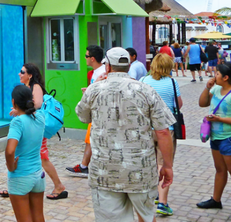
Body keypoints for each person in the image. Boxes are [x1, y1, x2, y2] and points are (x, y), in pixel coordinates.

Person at [76, 47, 176, 222]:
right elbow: (162, 131)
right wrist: (167, 165)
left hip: (105, 171)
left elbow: (83, 117)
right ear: (129, 66)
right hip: (140, 170)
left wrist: (94, 85)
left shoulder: (94, 90)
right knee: (146, 216)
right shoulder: (146, 90)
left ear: (107, 67)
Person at [0, 63, 68, 200]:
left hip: (35, 127)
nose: (19, 74)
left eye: (22, 72)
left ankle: (59, 186)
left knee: (42, 157)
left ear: (30, 75)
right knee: (24, 153)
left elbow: (37, 104)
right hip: (29, 126)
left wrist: (20, 109)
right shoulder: (26, 88)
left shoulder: (35, 87)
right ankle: (15, 184)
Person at [197, 62, 231, 220]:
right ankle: (216, 200)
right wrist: (207, 87)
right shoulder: (216, 88)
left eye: (217, 73)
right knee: (219, 170)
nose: (215, 75)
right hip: (216, 136)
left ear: (226, 77)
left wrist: (220, 119)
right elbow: (202, 103)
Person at [140, 53, 184, 216]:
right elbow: (178, 104)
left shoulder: (143, 81)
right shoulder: (172, 82)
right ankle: (163, 202)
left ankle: (150, 196)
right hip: (166, 129)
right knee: (164, 163)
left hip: (146, 128)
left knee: (149, 162)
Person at [5, 85, 46, 222]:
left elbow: (10, 151)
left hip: (20, 176)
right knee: (38, 216)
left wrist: (10, 166)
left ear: (13, 102)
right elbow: (31, 114)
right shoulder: (40, 118)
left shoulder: (17, 123)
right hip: (38, 174)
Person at [66, 45, 105, 178]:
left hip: (99, 112)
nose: (85, 58)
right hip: (93, 111)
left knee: (93, 140)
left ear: (92, 58)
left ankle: (86, 166)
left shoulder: (102, 72)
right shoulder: (95, 72)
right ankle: (84, 165)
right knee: (89, 139)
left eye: (86, 56)